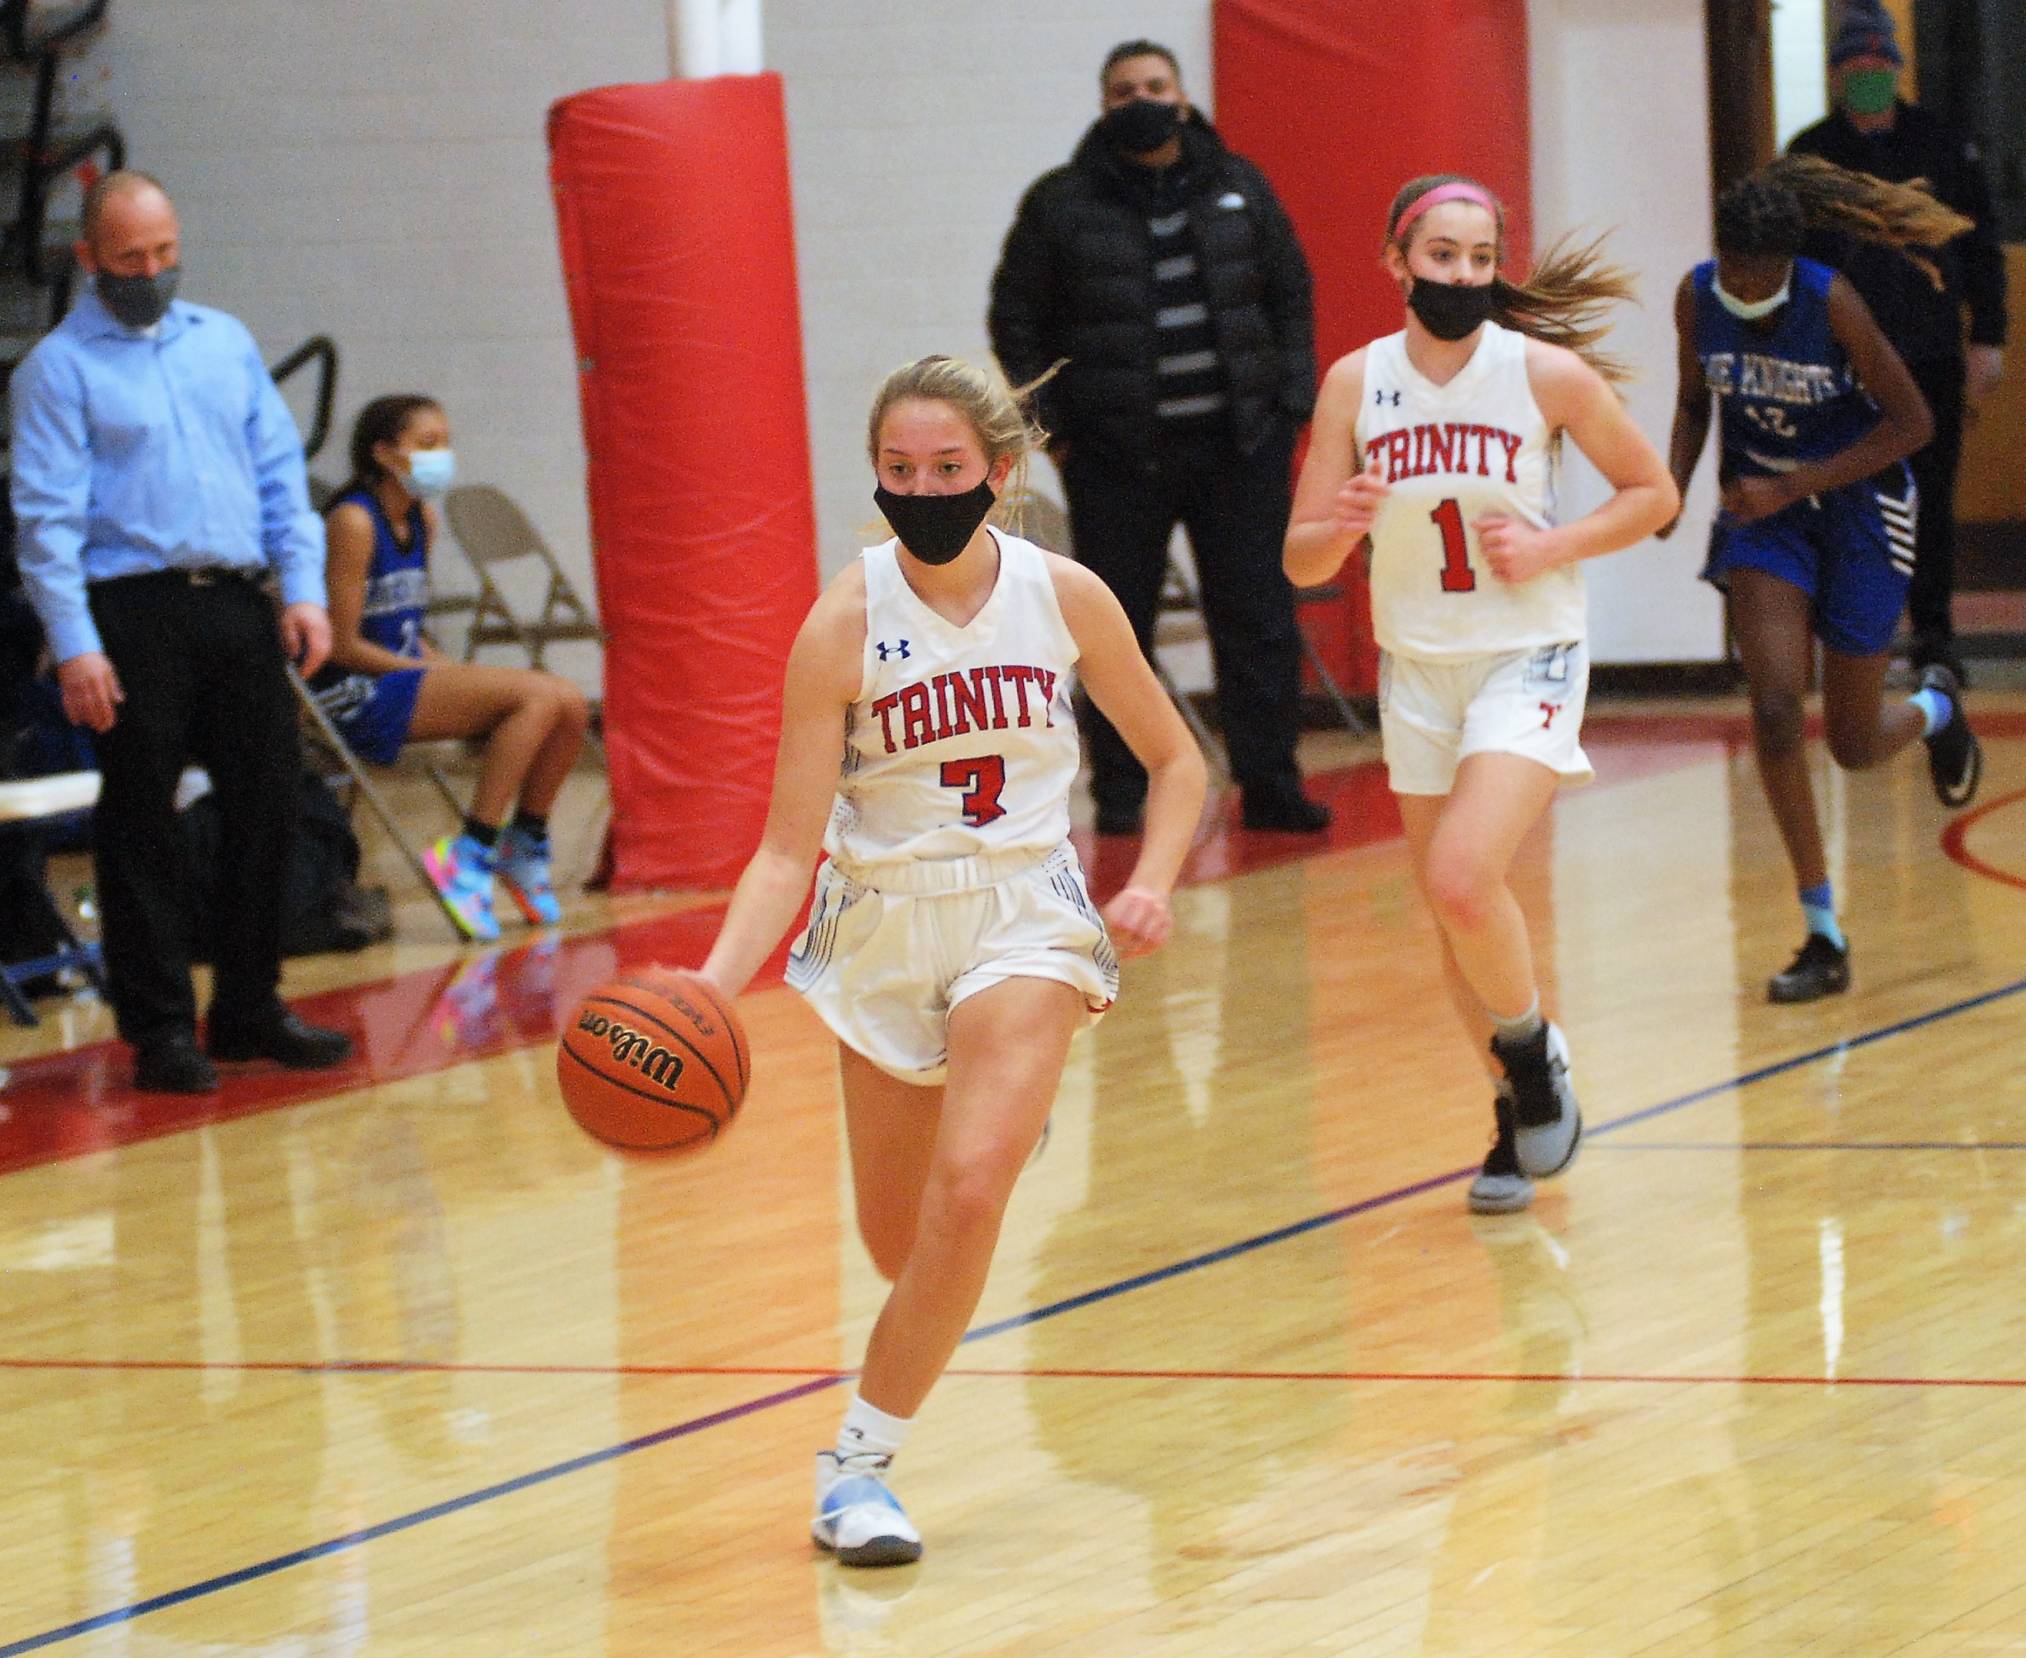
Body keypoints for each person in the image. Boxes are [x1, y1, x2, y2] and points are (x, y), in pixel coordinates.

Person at [690, 355, 1205, 1566]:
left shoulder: (1065, 595)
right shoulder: (842, 621)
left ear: (1000, 474)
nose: (922, 489)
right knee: (903, 1247)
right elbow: (782, 851)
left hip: (1023, 910)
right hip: (880, 920)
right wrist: (709, 985)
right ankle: (989, 1111)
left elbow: (1177, 763)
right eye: (899, 471)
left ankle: (855, 1467)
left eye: (947, 469)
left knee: (968, 1197)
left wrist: (1152, 882)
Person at [1283, 174, 1677, 1216]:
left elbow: (1655, 494)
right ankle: (1513, 1110)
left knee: (1464, 875)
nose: (1459, 273)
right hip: (1417, 665)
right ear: (1396, 260)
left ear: (1494, 267)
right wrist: (1341, 523)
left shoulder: (1544, 374)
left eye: (1476, 257)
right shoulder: (1352, 385)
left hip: (1528, 650)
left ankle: (1533, 1051)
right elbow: (1299, 561)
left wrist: (1554, 543)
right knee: (1451, 913)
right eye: (1440, 255)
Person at [8, 170, 353, 1093]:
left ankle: (249, 1004)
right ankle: (160, 1029)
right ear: (88, 259)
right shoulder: (57, 370)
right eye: (129, 258)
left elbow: (281, 473)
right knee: (141, 826)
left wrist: (305, 590)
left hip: (237, 599)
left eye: (164, 254)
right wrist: (75, 642)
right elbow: (46, 522)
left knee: (267, 806)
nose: (151, 272)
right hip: (132, 611)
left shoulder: (224, 344)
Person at [1661, 156, 1985, 1005]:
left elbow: (1913, 424)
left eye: (1764, 288)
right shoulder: (1696, 298)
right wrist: (1670, 483)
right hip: (1765, 515)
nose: (1750, 299)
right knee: (1772, 707)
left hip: (1859, 505)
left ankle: (1937, 705)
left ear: (1790, 270)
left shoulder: (1831, 300)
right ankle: (1822, 930)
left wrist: (1796, 484)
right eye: (1737, 281)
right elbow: (1696, 400)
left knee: (1851, 742)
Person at [989, 37, 1328, 838]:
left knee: (1258, 617)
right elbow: (1015, 321)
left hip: (1241, 449)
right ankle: (1122, 793)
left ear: (1182, 96)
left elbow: (1291, 293)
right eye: (1121, 90)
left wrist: (1291, 405)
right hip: (1114, 460)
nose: (1138, 99)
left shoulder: (1241, 185)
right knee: (1113, 632)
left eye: (1153, 85)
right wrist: (1058, 434)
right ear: (1102, 104)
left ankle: (1271, 784)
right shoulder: (1059, 203)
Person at [1784, 0, 2007, 683]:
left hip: (1931, 351)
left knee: (1931, 498)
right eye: (1856, 62)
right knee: (1850, 497)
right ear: (1836, 73)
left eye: (1879, 61)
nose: (1869, 72)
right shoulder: (1810, 154)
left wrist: (1988, 336)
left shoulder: (1942, 146)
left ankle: (1935, 639)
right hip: (1841, 362)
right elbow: (1790, 262)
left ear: (1897, 67)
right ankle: (1856, 639)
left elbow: (1983, 245)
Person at [312, 394, 589, 941]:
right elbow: (341, 645)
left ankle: (524, 841)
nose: (443, 456)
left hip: (399, 674)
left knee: (571, 703)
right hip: (351, 691)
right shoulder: (353, 522)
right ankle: (471, 850)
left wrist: (440, 667)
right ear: (385, 454)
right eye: (428, 444)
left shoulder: (423, 519)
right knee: (534, 699)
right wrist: (428, 675)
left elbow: (409, 626)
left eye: (446, 444)